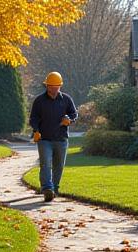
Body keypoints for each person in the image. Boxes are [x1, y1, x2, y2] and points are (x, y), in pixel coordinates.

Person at [29, 71, 78, 202]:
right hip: (44, 139)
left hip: (61, 139)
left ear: (60, 86)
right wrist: (36, 130)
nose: (54, 90)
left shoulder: (66, 99)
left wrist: (70, 120)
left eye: (57, 87)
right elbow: (33, 118)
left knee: (58, 166)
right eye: (52, 87)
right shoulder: (39, 101)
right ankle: (47, 189)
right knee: (45, 164)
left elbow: (74, 114)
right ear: (47, 86)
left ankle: (54, 189)